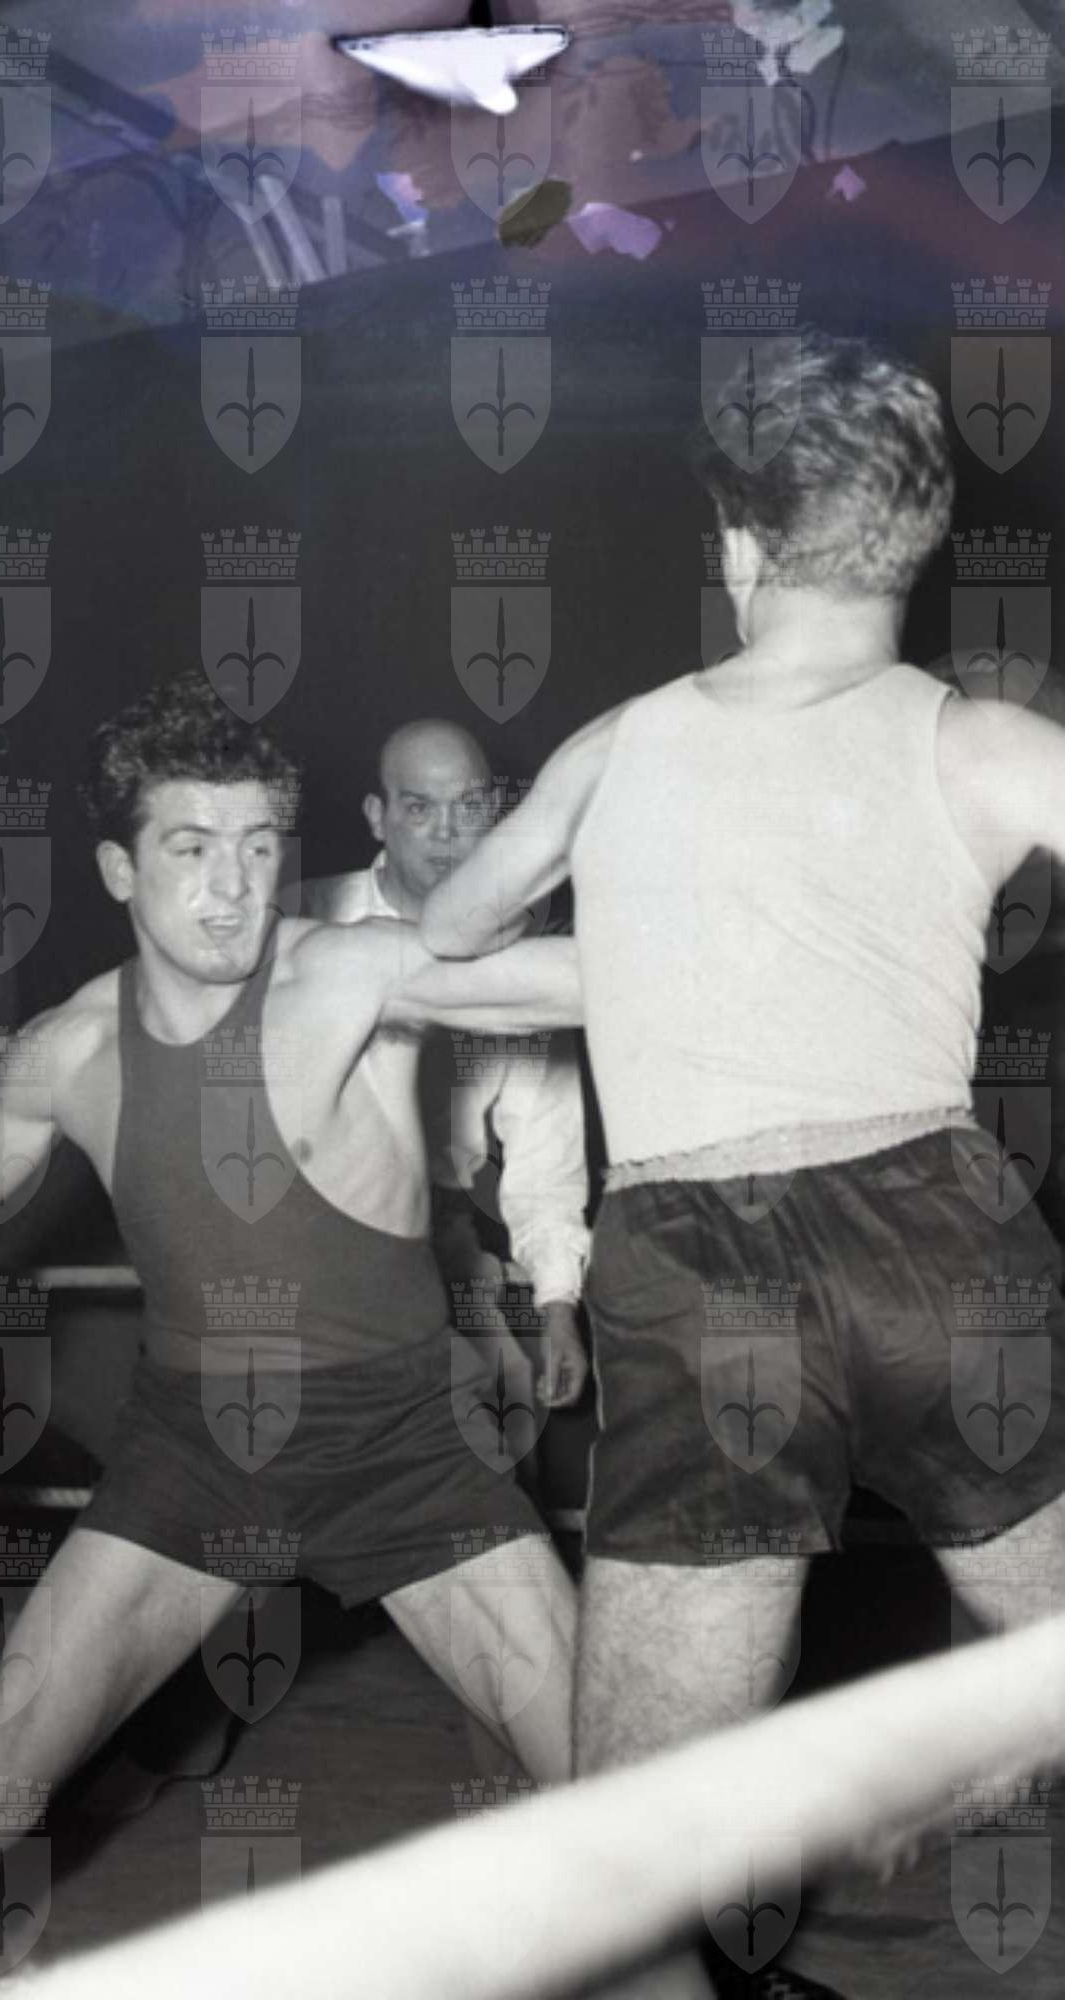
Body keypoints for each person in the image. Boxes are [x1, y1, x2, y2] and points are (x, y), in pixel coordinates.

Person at [422, 334, 1065, 2000]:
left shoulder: (616, 745)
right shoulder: (983, 742)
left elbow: (453, 925)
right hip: (940, 1244)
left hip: (703, 1275)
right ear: (916, 545)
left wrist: (652, 936)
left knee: (625, 1843)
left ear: (734, 545)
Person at [0, 673, 582, 1999]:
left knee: (607, 1773)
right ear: (119, 867)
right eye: (191, 848)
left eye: (259, 847)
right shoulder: (69, 1049)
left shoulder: (346, 970)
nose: (232, 888)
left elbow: (583, 982)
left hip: (403, 1449)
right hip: (193, 1461)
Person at [303, 718, 591, 1417]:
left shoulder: (523, 963)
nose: (446, 833)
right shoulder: (299, 919)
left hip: (441, 1241)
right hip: (303, 1233)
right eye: (418, 808)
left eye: (467, 807)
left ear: (494, 814)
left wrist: (557, 1306)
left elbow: (546, 1160)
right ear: (377, 816)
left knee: (500, 1419)